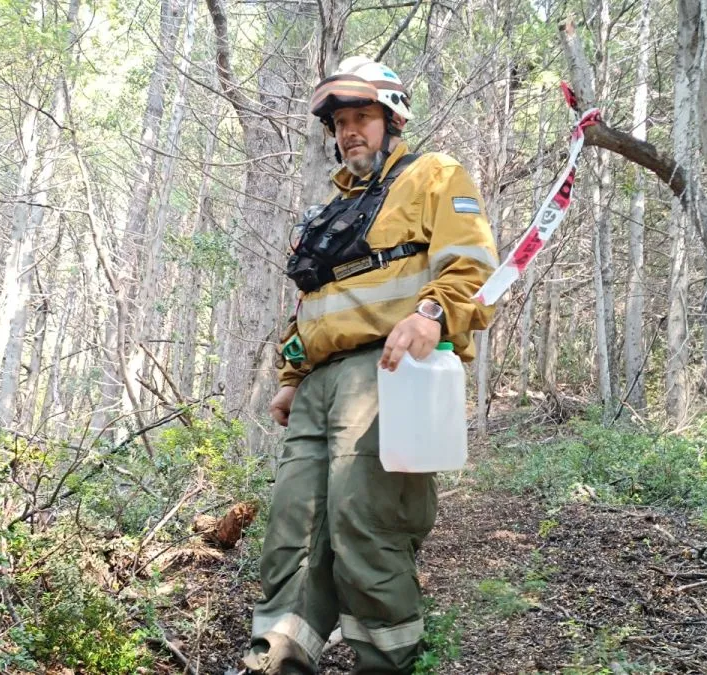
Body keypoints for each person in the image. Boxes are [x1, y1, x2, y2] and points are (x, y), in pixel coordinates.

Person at [233, 56, 498, 675]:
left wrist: (431, 315)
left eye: (363, 118)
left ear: (392, 118)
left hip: (389, 370)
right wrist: (292, 377)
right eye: (342, 122)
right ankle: (279, 657)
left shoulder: (434, 174)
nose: (350, 131)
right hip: (319, 384)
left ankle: (388, 660)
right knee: (292, 528)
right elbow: (311, 302)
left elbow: (473, 268)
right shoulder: (328, 209)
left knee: (366, 524)